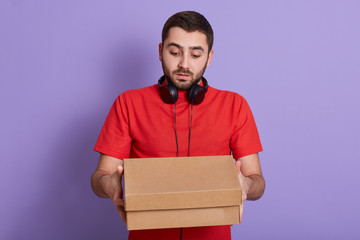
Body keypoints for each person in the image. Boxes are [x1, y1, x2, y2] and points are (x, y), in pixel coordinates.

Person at [91, 11, 265, 240]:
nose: (184, 64)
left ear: (209, 58)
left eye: (195, 55)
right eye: (174, 52)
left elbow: (257, 182)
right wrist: (109, 184)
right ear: (160, 51)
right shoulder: (128, 103)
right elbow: (100, 176)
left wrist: (245, 185)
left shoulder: (235, 105)